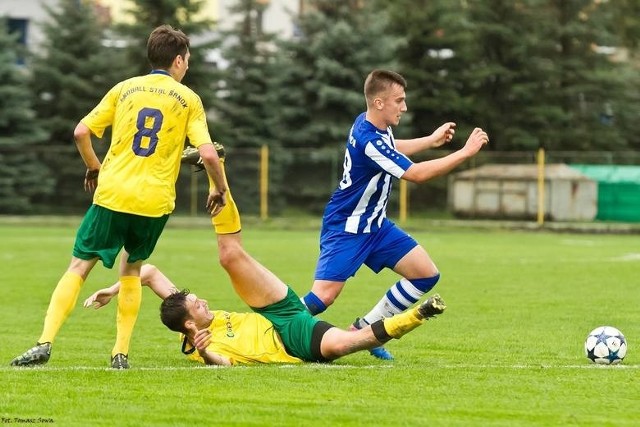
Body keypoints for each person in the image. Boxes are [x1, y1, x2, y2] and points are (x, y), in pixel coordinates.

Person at [10, 24, 228, 370]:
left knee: (80, 266)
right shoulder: (188, 99)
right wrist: (219, 187)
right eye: (187, 60)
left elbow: (81, 131)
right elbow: (210, 155)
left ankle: (45, 342)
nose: (187, 66)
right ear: (177, 61)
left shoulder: (125, 89)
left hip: (112, 194)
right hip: (155, 202)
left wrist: (94, 166)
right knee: (132, 268)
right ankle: (119, 353)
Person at [299, 69, 489, 360]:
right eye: (399, 101)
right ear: (379, 103)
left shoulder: (370, 124)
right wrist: (464, 153)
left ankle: (366, 330)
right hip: (347, 227)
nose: (404, 107)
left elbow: (391, 147)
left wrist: (430, 140)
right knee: (323, 297)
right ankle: (268, 331)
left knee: (426, 274)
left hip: (376, 227)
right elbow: (416, 174)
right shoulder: (369, 138)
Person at [83, 227, 446, 366]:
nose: (204, 301)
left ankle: (217, 176)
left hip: (278, 314)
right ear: (190, 324)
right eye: (198, 305)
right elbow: (220, 366)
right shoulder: (199, 343)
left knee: (232, 257)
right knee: (345, 345)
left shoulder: (183, 310)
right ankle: (419, 314)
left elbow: (146, 272)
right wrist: (205, 348)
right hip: (290, 344)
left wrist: (113, 290)